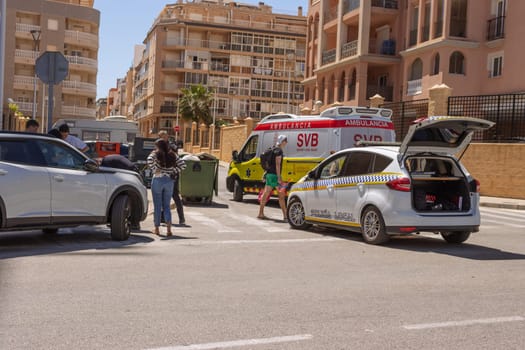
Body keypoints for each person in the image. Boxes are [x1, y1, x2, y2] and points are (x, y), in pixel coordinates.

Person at [147, 138, 182, 236]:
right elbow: (183, 165)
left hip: (158, 180)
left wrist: (155, 169)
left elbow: (149, 160)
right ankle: (169, 229)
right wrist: (173, 171)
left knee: (157, 205)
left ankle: (157, 228)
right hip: (169, 181)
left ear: (157, 146)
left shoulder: (155, 154)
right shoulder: (172, 154)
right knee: (166, 205)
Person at [159, 131, 187, 226]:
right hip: (164, 175)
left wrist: (174, 172)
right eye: (161, 137)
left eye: (164, 136)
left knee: (175, 196)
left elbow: (177, 161)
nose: (163, 138)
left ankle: (181, 218)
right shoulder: (159, 146)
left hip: (172, 175)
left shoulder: (171, 146)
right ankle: (162, 218)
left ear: (167, 136)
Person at [258, 134, 288, 222]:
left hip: (269, 175)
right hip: (275, 176)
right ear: (282, 142)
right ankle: (285, 216)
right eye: (285, 141)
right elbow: (278, 165)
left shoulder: (273, 149)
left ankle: (260, 213)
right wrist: (279, 178)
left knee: (266, 193)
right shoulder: (279, 151)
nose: (286, 143)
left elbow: (269, 163)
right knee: (281, 196)